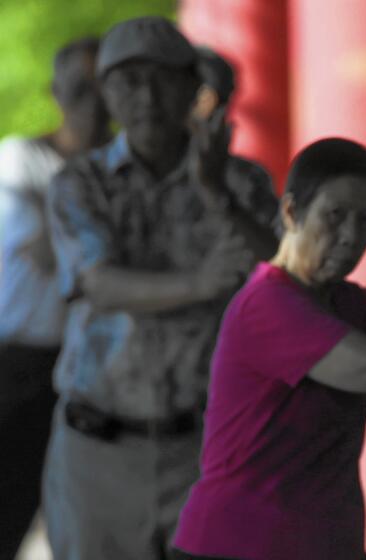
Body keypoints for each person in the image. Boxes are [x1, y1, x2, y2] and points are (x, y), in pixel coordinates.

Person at [172, 138, 366, 560]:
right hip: (239, 546)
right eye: (335, 216)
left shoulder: (332, 298)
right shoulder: (268, 303)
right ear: (292, 212)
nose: (351, 236)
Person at [43, 17, 278, 560]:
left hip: (207, 445)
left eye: (162, 78)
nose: (146, 96)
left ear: (191, 88)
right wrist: (203, 284)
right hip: (96, 448)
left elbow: (284, 276)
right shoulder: (79, 182)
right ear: (106, 93)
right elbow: (97, 283)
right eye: (128, 81)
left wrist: (218, 194)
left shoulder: (241, 182)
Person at [0, 36, 110, 559]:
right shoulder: (20, 159)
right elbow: (47, 253)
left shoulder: (121, 172)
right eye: (81, 90)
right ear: (56, 93)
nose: (94, 104)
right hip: (16, 365)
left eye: (105, 89)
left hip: (91, 376)